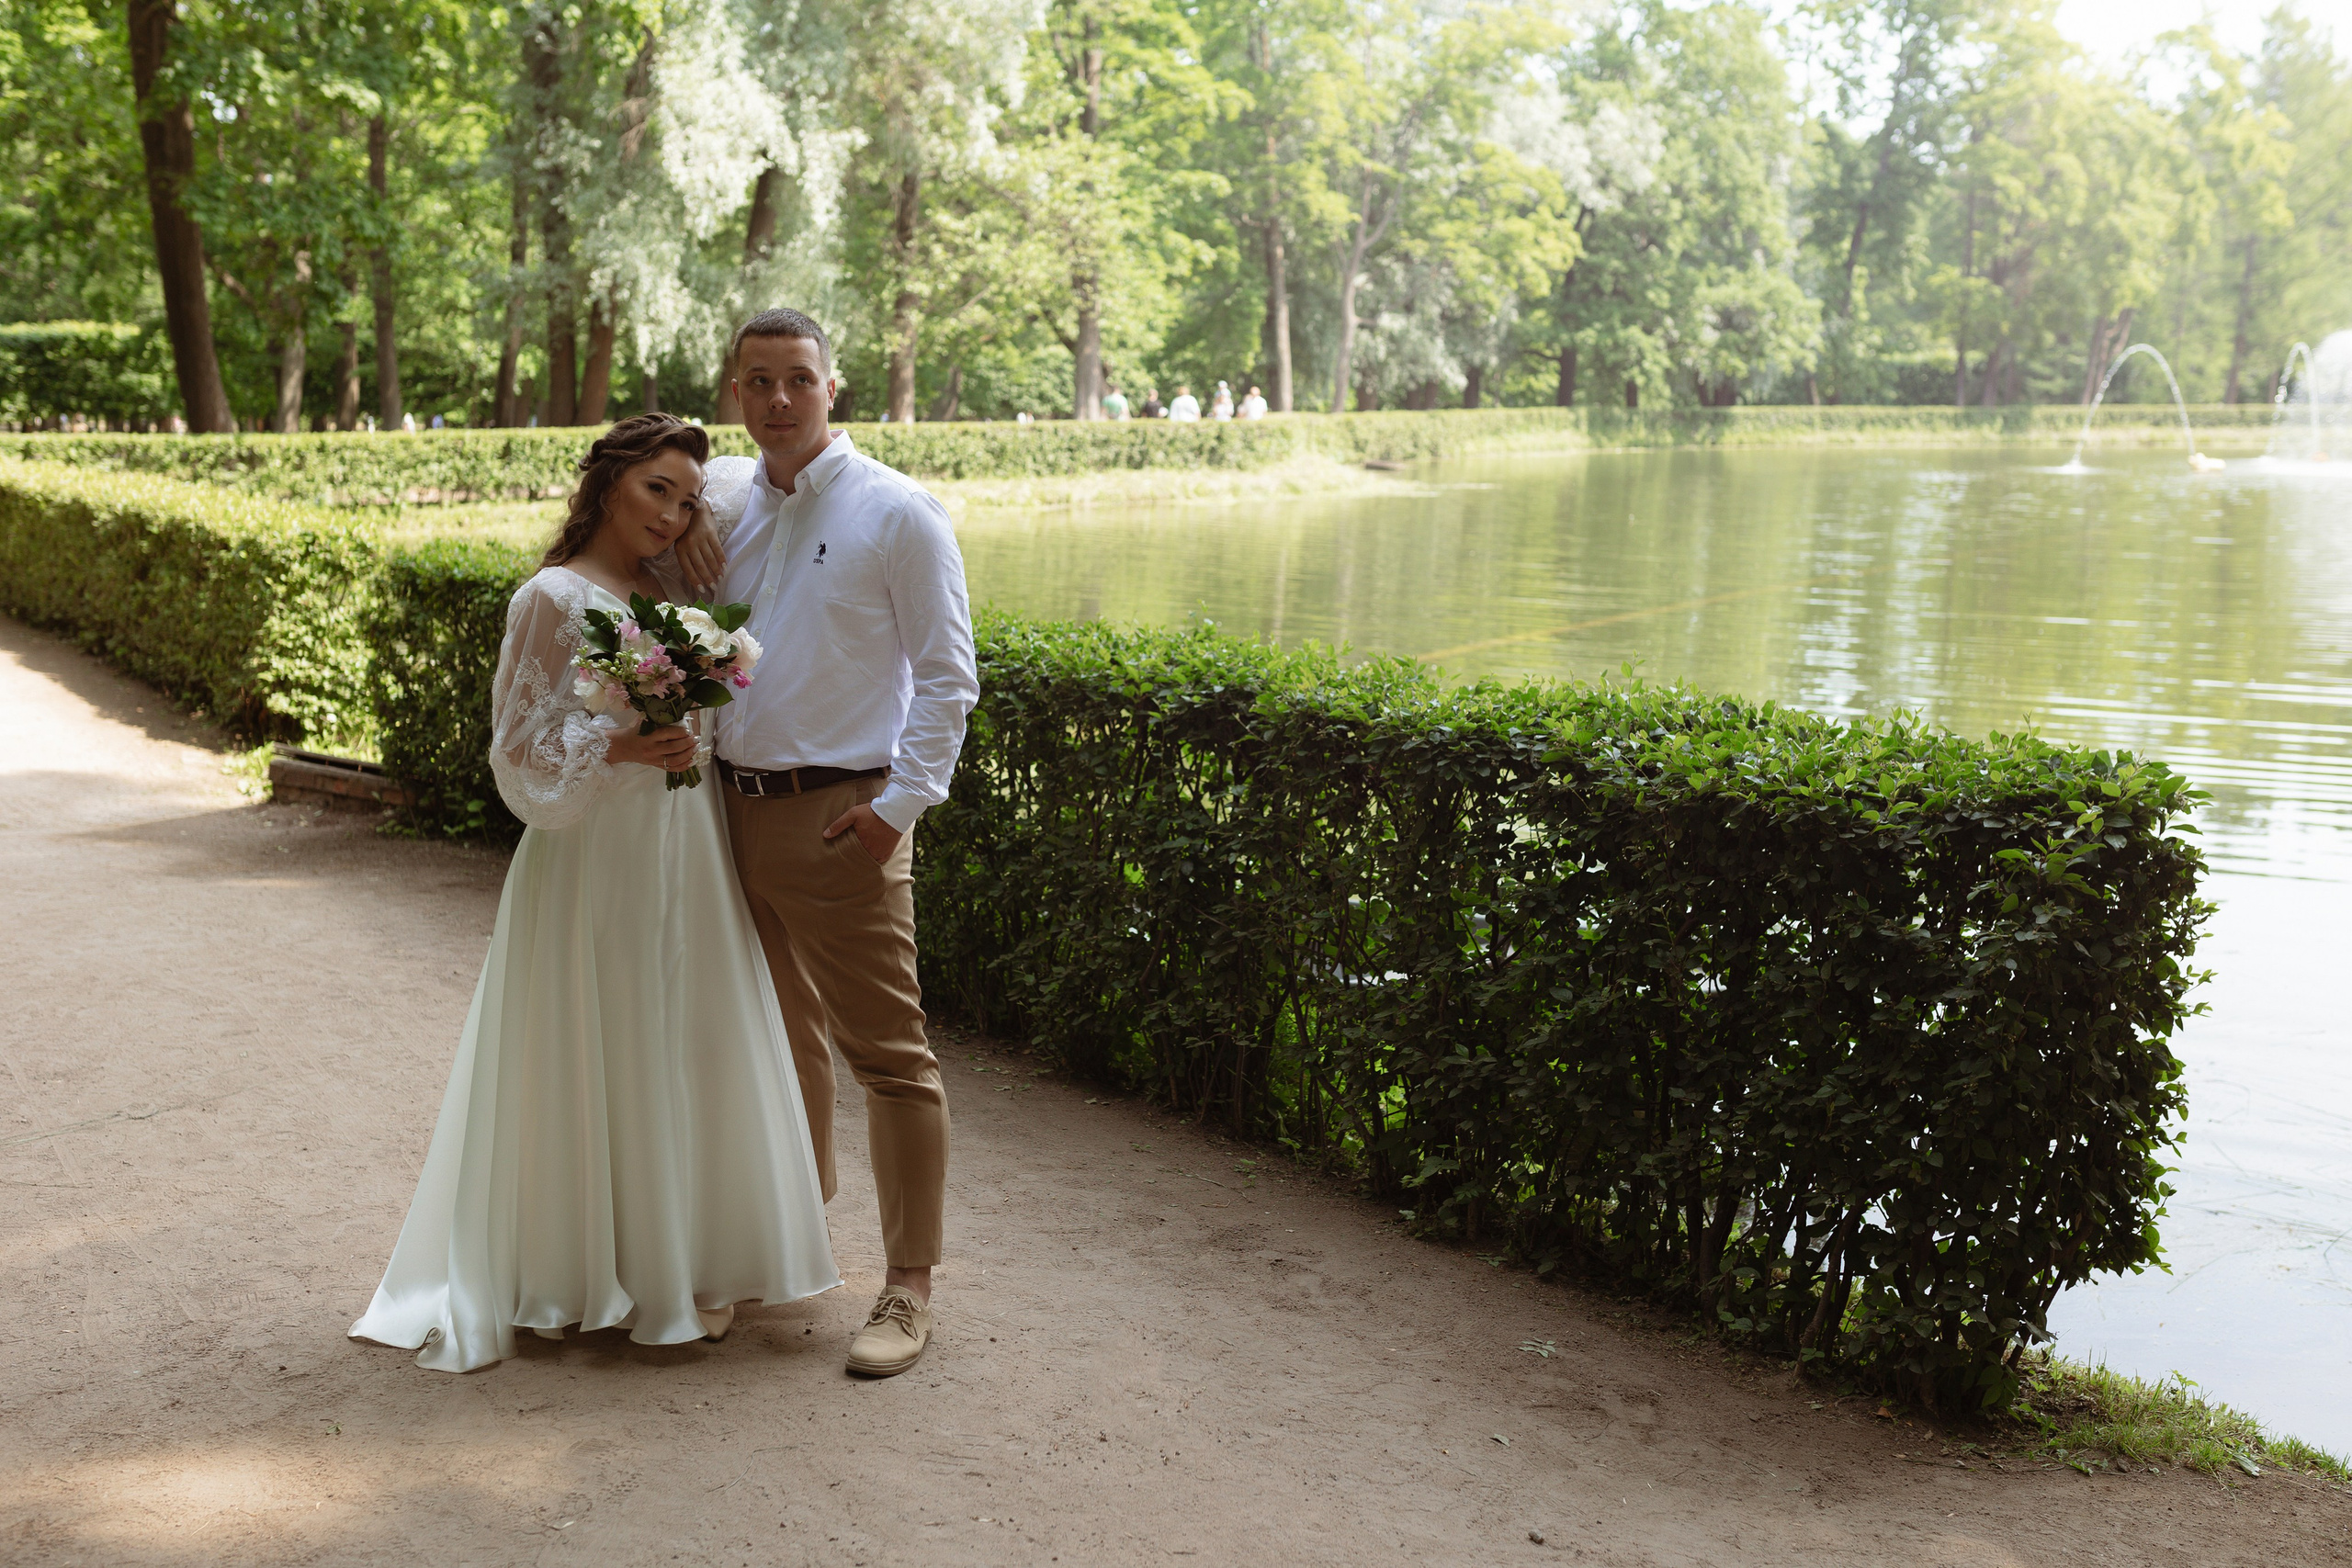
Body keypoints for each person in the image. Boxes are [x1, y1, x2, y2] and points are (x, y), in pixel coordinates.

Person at [349, 413, 840, 1373]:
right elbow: (516, 751)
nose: (673, 514)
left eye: (690, 501)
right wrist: (617, 746)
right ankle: (582, 1271)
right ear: (609, 480)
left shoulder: (670, 589)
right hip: (595, 857)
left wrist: (703, 526)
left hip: (683, 845)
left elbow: (776, 471)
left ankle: (689, 1262)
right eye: (656, 489)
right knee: (601, 1035)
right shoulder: (551, 596)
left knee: (684, 1038)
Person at [678, 307, 978, 1380]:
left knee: (888, 1057)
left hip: (843, 812)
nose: (776, 401)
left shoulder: (898, 514)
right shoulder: (717, 504)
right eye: (755, 381)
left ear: (832, 386)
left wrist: (898, 808)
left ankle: (909, 1286)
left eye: (795, 378)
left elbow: (948, 679)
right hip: (725, 807)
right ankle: (776, 1252)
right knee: (768, 1041)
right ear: (734, 392)